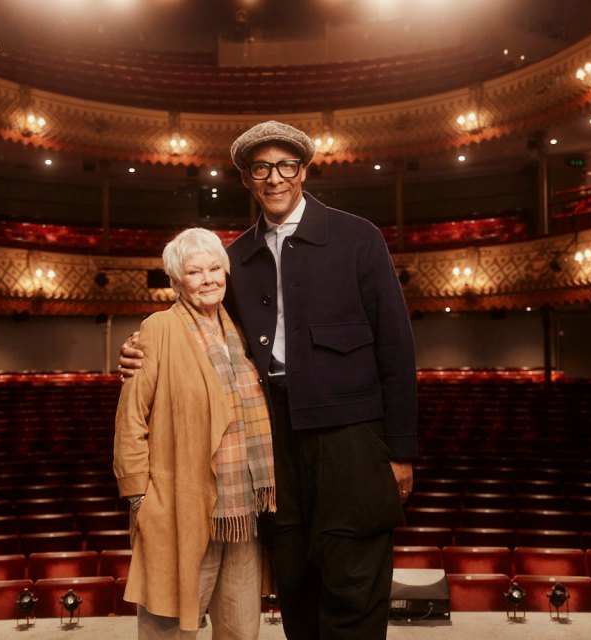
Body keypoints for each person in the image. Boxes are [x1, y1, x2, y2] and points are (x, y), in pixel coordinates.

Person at [121, 121, 418, 640]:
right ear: (246, 179)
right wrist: (137, 351)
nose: (275, 177)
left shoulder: (358, 237)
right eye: (262, 168)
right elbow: (201, 324)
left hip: (351, 434)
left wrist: (400, 450)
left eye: (286, 165)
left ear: (303, 171)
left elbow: (397, 349)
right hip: (273, 432)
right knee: (295, 576)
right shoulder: (233, 256)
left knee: (354, 575)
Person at [113, 227, 276, 639]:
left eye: (214, 269)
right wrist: (140, 499)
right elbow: (131, 420)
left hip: (243, 513)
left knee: (240, 631)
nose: (208, 279)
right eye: (194, 272)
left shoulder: (242, 331)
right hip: (179, 509)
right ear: (175, 281)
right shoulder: (158, 329)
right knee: (168, 629)